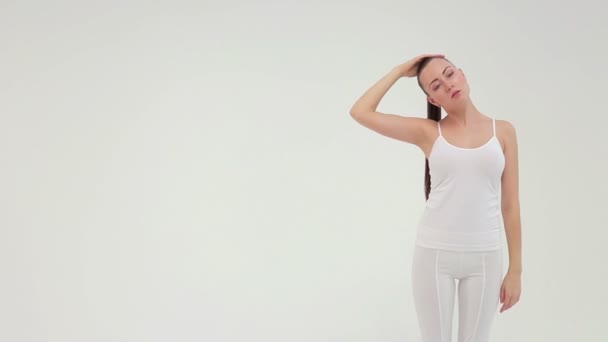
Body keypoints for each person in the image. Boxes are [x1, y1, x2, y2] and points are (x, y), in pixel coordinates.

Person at [349, 54, 522, 342]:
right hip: (434, 255)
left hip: (485, 256)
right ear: (433, 100)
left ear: (463, 74)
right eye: (436, 85)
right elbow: (360, 111)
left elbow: (511, 206)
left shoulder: (503, 132)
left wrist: (515, 269)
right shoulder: (428, 132)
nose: (448, 85)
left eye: (450, 74)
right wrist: (399, 71)